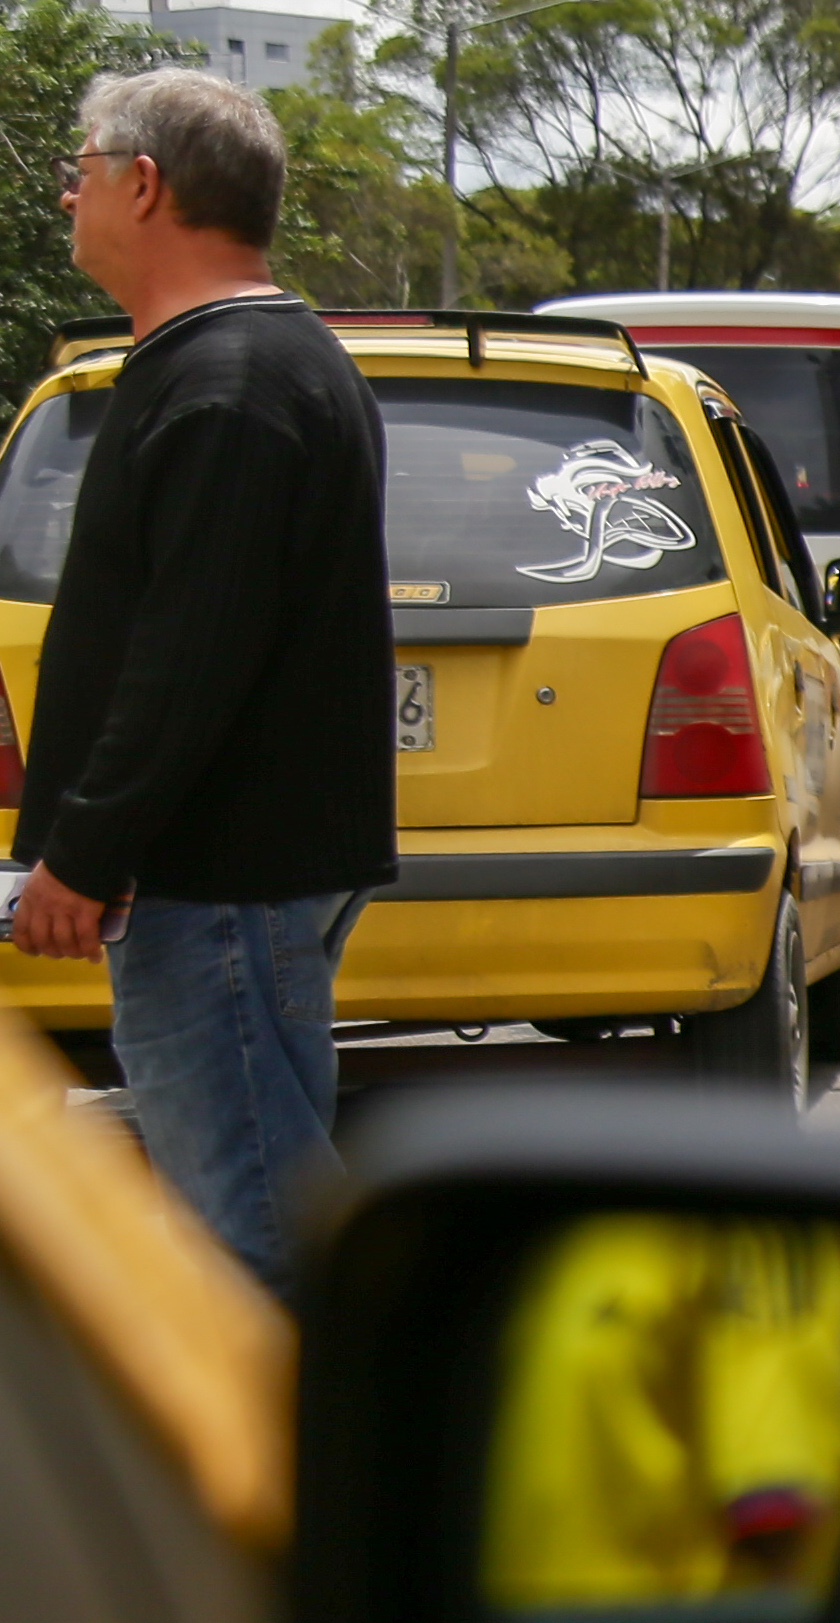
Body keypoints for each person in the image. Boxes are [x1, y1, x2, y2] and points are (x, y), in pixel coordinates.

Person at [6, 70, 389, 1295]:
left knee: (250, 1239)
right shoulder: (243, 362)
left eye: (83, 165)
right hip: (226, 877)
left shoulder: (230, 385)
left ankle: (332, 1470)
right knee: (258, 1205)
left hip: (213, 881)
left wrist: (83, 851)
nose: (68, 191)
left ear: (145, 183)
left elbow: (190, 658)